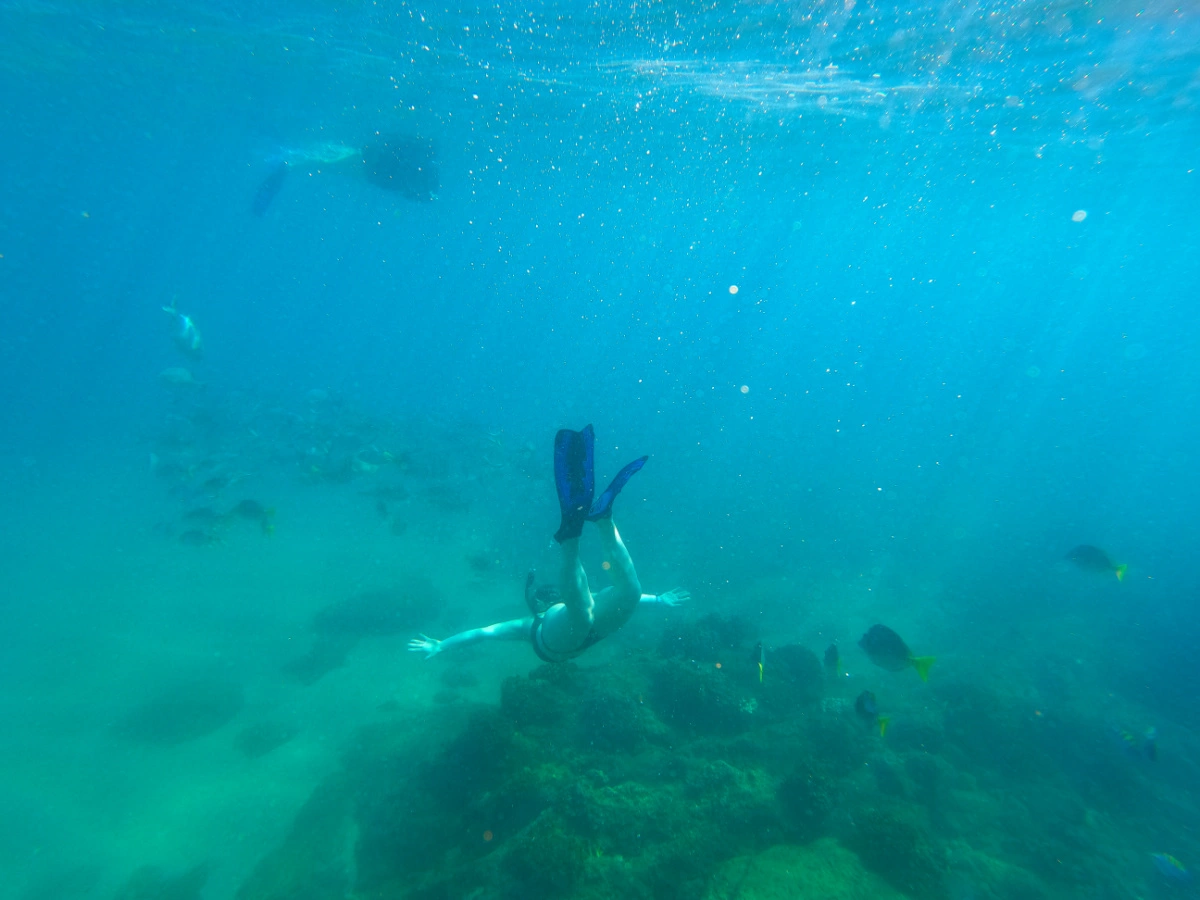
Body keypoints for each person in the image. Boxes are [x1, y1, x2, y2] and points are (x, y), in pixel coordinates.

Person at [408, 425, 688, 663]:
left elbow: (485, 633)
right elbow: (484, 633)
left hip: (565, 639)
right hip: (568, 637)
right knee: (621, 596)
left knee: (617, 597)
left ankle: (592, 525)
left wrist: (442, 645)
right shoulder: (537, 621)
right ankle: (595, 526)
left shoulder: (538, 622)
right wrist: (659, 600)